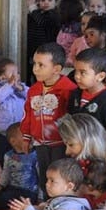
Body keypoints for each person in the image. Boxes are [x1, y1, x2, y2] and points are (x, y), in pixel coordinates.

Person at [21, 42, 76, 192]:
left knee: (60, 178)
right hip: (40, 143)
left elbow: (72, 118)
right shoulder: (33, 89)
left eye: (41, 65)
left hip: (61, 144)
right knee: (45, 178)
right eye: (34, 64)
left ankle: (60, 208)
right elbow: (28, 114)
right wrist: (26, 137)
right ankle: (47, 207)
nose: (35, 69)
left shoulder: (69, 89)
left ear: (56, 69)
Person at [68, 48, 106, 140]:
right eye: (76, 71)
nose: (76, 76)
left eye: (83, 72)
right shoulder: (76, 94)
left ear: (100, 76)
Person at [0, 123, 39, 210]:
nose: (30, 137)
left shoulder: (35, 156)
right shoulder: (8, 156)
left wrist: (41, 197)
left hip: (29, 193)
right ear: (13, 141)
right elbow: (6, 172)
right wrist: (0, 184)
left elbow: (41, 176)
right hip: (12, 188)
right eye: (25, 136)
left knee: (6, 198)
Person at [0, 58, 28, 162]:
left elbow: (30, 95)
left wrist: (20, 88)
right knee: (3, 157)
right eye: (13, 73)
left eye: (18, 73)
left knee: (20, 155)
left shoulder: (20, 88)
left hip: (19, 132)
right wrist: (10, 84)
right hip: (3, 133)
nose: (17, 76)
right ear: (2, 77)